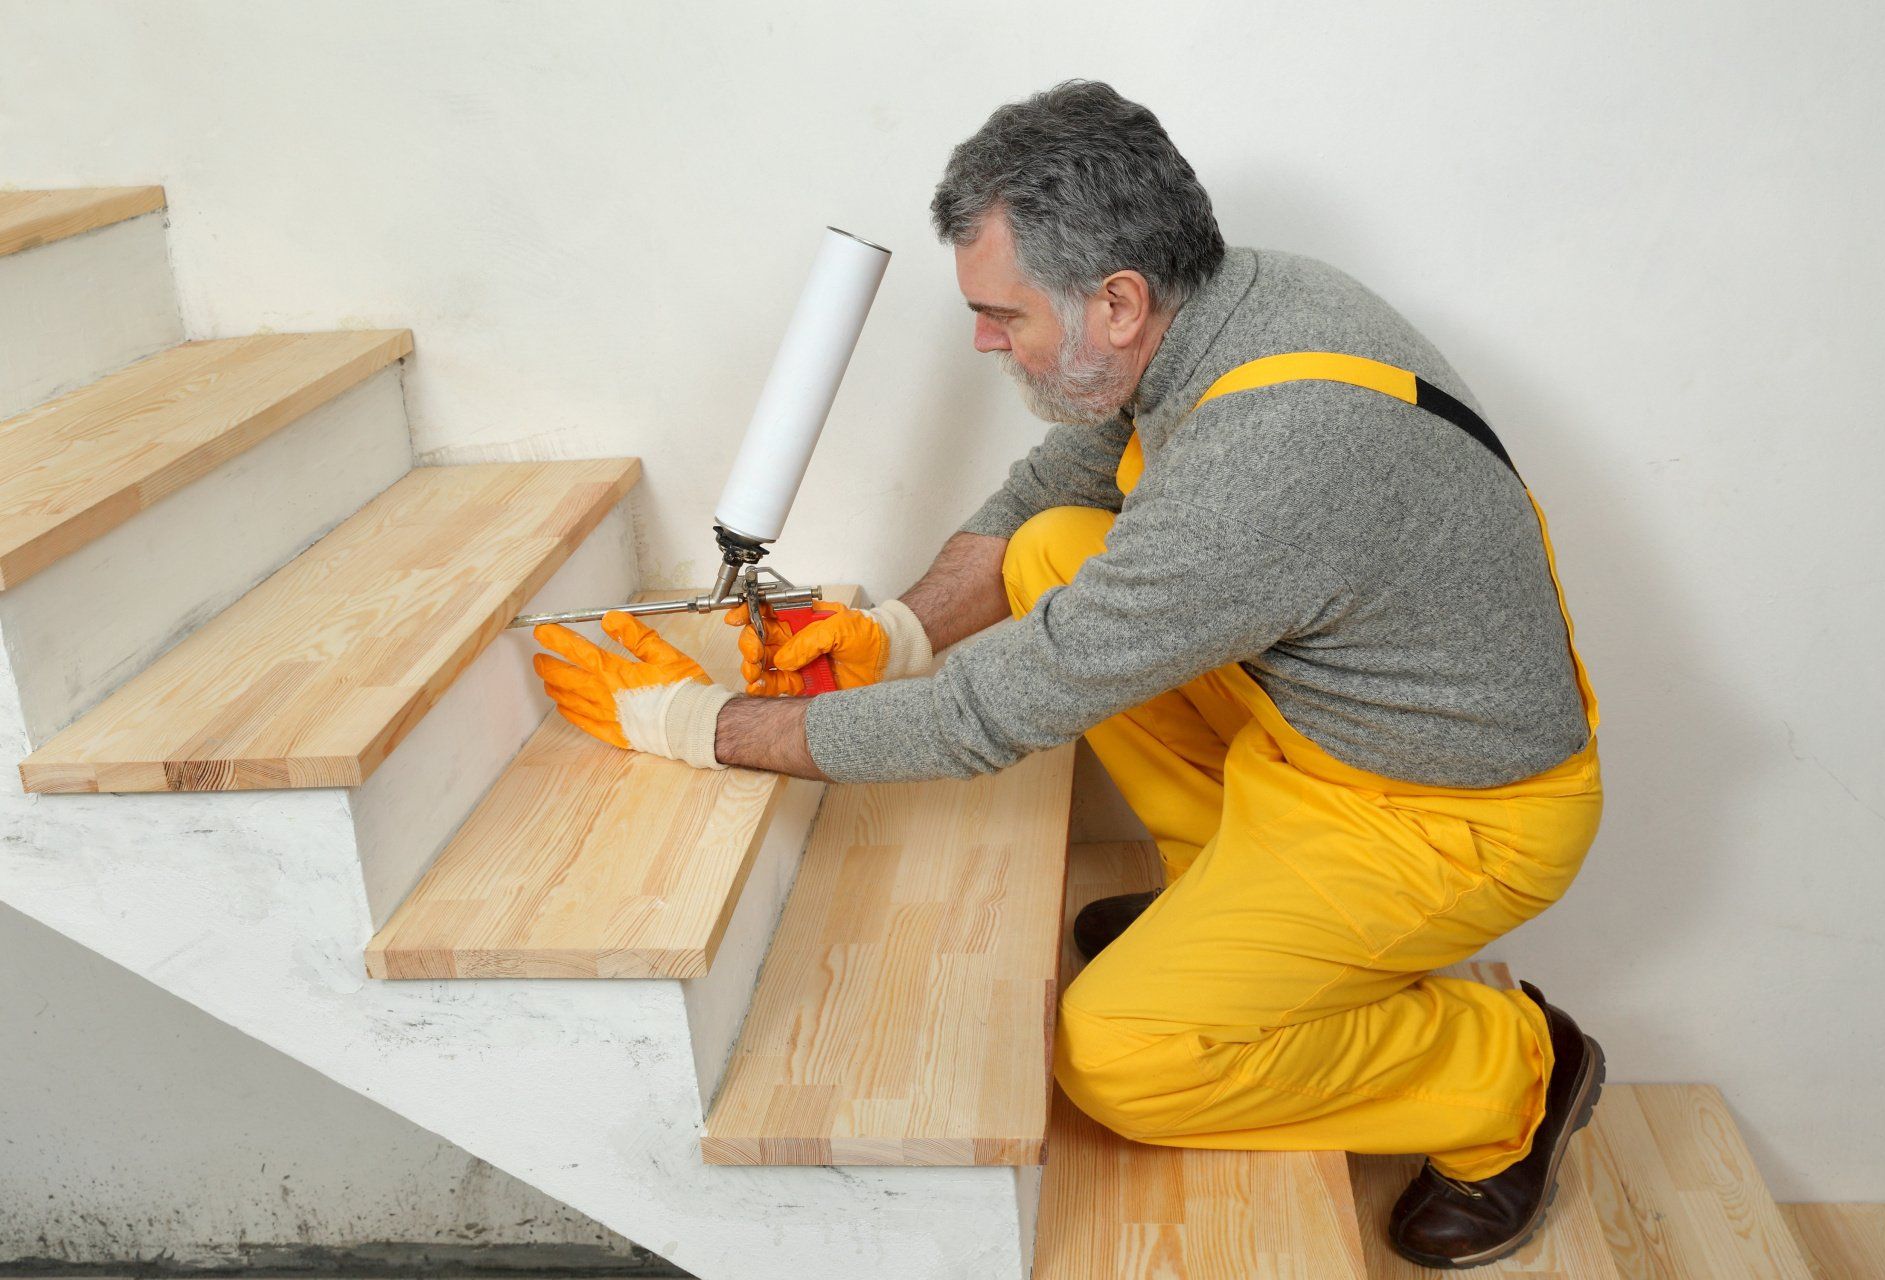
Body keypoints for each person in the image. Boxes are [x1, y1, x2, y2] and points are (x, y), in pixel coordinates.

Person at [529, 79, 1606, 1269]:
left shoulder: (1267, 461)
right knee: (1054, 548)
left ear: (1118, 299)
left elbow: (992, 713)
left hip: (1448, 815)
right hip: (1327, 732)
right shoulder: (1239, 302)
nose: (984, 340)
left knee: (1122, 1057)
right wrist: (896, 631)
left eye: (1003, 314)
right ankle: (1222, 898)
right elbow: (1056, 487)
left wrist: (705, 725)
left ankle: (1512, 1075)